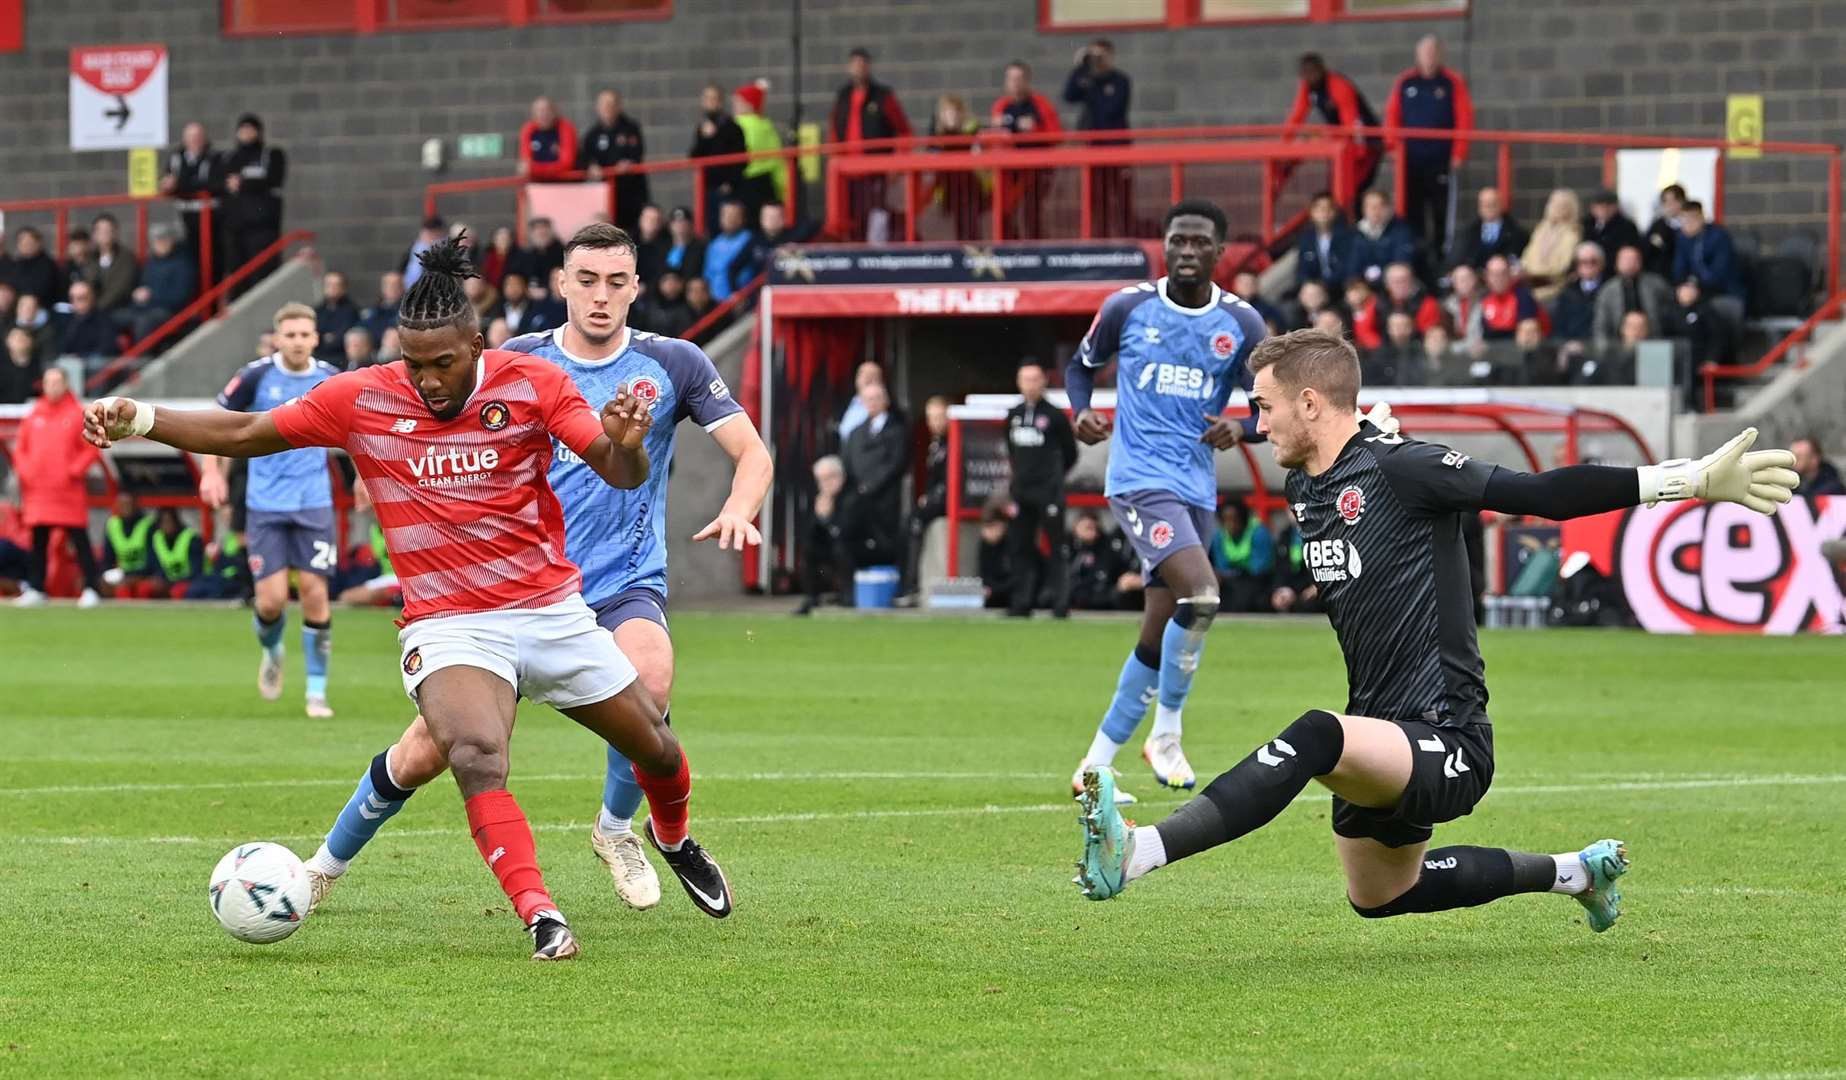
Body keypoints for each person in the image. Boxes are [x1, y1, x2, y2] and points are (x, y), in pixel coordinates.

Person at [86, 238, 734, 959]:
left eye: (443, 363)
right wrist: (139, 417)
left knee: (658, 747)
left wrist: (629, 444)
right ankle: (540, 915)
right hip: (451, 623)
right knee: (474, 753)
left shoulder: (531, 383)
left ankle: (669, 836)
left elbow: (617, 469)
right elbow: (244, 431)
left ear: (477, 344)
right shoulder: (362, 396)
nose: (426, 380)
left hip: (549, 609)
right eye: (414, 362)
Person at [1073, 327, 1801, 937]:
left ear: (1308, 401)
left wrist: (1686, 481)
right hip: (1384, 735)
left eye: (1264, 407)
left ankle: (1138, 852)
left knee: (1315, 735)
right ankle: (1579, 872)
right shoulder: (1307, 484)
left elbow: (1538, 495)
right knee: (1380, 897)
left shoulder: (1406, 467)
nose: (1257, 426)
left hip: (1447, 737)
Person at [305, 223, 770, 918]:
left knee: (653, 679)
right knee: (421, 755)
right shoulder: (513, 360)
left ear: (637, 287)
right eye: (586, 280)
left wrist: (739, 506)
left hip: (618, 580)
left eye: (617, 282)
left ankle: (622, 834)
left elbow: (751, 451)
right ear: (560, 284)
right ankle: (322, 867)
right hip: (501, 593)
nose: (601, 296)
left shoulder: (674, 362)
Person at [1063, 200, 1269, 804]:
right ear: (1164, 244)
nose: (1185, 251)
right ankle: (1168, 732)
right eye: (1176, 240)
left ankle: (1094, 765)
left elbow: (1270, 402)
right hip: (1138, 479)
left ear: (1219, 252)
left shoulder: (1244, 324)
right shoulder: (1128, 306)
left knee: (1159, 632)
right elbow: (1081, 368)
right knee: (1202, 596)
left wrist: (1244, 429)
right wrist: (1081, 412)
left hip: (1196, 487)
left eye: (1198, 243)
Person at [200, 303, 343, 718]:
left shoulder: (330, 378)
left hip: (313, 501)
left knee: (316, 595)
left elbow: (360, 428)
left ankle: (317, 692)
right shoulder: (256, 375)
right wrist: (213, 471)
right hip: (265, 503)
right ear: (278, 338)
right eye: (291, 335)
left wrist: (363, 477)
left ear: (315, 338)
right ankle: (273, 651)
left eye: (305, 335)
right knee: (270, 602)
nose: (298, 342)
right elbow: (218, 421)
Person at [11, 367, 105, 608]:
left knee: (79, 539)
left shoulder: (77, 414)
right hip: (39, 492)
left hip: (67, 491)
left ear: (65, 384)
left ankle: (91, 588)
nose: (52, 386)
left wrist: (73, 470)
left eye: (57, 381)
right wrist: (26, 472)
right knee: (39, 541)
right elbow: (20, 449)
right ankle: (36, 587)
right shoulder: (34, 416)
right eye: (48, 382)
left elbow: (91, 447)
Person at [1003, 360, 1078, 618]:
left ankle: (1060, 603)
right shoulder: (1013, 415)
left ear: (1044, 381)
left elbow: (1071, 452)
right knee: (1020, 547)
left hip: (1048, 492)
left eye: (1035, 379)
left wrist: (1052, 478)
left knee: (1057, 547)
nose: (1030, 385)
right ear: (1018, 382)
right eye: (1026, 379)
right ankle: (1021, 602)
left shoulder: (1055, 416)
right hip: (1021, 493)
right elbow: (1011, 450)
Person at [1384, 35, 1473, 251]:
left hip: (1441, 158)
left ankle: (1442, 255)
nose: (1429, 57)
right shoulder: (1405, 81)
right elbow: (1392, 115)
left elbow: (1465, 118)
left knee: (1441, 211)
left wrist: (1459, 153)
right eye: (1425, 52)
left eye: (1433, 52)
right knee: (1412, 209)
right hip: (1411, 159)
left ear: (1440, 55)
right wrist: (1392, 145)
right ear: (1417, 55)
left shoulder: (1452, 82)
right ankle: (1416, 254)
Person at [829, 47, 912, 240]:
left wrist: (897, 165)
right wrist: (835, 162)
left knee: (877, 217)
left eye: (862, 64)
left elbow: (903, 131)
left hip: (876, 170)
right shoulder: (842, 97)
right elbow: (834, 132)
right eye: (854, 64)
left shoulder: (883, 96)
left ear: (869, 67)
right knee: (852, 218)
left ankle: (875, 259)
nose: (858, 68)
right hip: (847, 173)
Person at [1284, 54, 1383, 201]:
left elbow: (1352, 124)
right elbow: (1297, 116)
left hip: (1366, 143)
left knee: (1354, 189)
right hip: (1341, 144)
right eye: (1306, 73)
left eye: (1313, 71)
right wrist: (1285, 143)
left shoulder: (1338, 85)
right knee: (1338, 189)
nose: (1310, 76)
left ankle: (1353, 219)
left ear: (1322, 69)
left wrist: (1358, 154)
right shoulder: (1307, 87)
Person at [1063, 39, 1132, 235]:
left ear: (1111, 57)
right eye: (1094, 56)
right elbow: (1068, 96)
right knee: (1095, 200)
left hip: (1117, 150)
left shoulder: (1120, 81)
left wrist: (1093, 82)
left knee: (1120, 199)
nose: (1097, 60)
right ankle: (1099, 238)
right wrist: (1078, 68)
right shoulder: (1086, 78)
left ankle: (1126, 237)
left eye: (1101, 56)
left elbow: (1110, 111)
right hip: (1092, 149)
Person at [841, 382, 909, 573]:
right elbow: (847, 462)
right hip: (859, 499)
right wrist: (860, 488)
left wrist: (872, 485)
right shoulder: (855, 433)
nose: (872, 403)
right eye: (868, 399)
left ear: (886, 401)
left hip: (886, 499)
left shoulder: (897, 430)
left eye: (876, 398)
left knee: (889, 542)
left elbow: (897, 463)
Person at [991, 61, 1063, 239]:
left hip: (1037, 170)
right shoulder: (1001, 106)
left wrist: (1035, 129)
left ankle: (1035, 253)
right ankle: (1011, 252)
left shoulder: (1040, 104)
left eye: (1019, 78)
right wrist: (998, 131)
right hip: (1010, 172)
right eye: (1011, 79)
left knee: (1031, 212)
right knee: (1005, 212)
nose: (1015, 83)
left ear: (1027, 81)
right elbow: (993, 140)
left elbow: (1057, 135)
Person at [219, 114, 287, 292]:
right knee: (237, 275)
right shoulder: (229, 157)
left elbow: (274, 179)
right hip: (236, 227)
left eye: (251, 129)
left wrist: (243, 184)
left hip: (262, 227)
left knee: (263, 274)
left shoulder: (271, 155)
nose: (246, 134)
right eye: (243, 130)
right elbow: (216, 182)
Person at [898, 395, 950, 603]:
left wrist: (932, 498)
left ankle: (911, 586)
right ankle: (907, 583)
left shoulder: (955, 442)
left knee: (914, 522)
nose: (935, 423)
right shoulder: (935, 444)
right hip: (934, 498)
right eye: (931, 418)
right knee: (906, 523)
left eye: (939, 417)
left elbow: (951, 479)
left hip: (947, 501)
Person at [580, 89, 649, 234]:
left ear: (619, 106)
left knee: (633, 233)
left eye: (611, 104)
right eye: (604, 104)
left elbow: (637, 153)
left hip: (631, 192)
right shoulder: (592, 134)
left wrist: (628, 163)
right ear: (597, 108)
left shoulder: (631, 128)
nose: (607, 108)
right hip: (606, 195)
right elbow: (583, 157)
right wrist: (591, 166)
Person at [160, 121, 221, 279]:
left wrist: (179, 185)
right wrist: (168, 184)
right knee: (186, 262)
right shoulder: (176, 158)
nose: (195, 140)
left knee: (210, 263)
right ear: (184, 139)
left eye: (198, 136)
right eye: (191, 137)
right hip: (182, 217)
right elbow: (166, 180)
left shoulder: (214, 158)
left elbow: (213, 184)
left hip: (208, 218)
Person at [1672, 201, 1745, 328]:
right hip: (1694, 289)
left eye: (1691, 219)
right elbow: (1679, 269)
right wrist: (1685, 286)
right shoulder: (1682, 239)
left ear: (1701, 218)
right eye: (1683, 220)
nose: (1687, 225)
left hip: (1722, 289)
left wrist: (1697, 288)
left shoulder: (1718, 237)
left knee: (1703, 311)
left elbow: (1720, 272)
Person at [796, 455, 852, 615]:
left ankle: (847, 596)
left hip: (857, 546)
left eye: (829, 478)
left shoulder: (852, 497)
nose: (825, 484)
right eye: (820, 480)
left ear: (840, 476)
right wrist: (820, 516)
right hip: (831, 547)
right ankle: (811, 597)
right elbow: (809, 533)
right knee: (809, 549)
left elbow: (846, 532)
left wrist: (828, 519)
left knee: (843, 550)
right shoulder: (820, 499)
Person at [926, 95, 987, 242]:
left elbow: (978, 154)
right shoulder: (937, 137)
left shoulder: (969, 134)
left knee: (970, 224)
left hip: (968, 186)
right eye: (948, 112)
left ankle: (973, 253)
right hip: (947, 187)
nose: (952, 115)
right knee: (952, 226)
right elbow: (931, 157)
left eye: (955, 111)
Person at [689, 84, 747, 231]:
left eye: (714, 98)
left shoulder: (732, 127)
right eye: (707, 98)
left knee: (729, 226)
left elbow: (741, 158)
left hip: (727, 189)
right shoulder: (702, 128)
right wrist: (705, 138)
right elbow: (694, 157)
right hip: (707, 188)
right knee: (709, 227)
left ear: (721, 101)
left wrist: (730, 183)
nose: (710, 102)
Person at [1594, 244, 1672, 345]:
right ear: (1617, 263)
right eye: (1625, 259)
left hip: (1653, 342)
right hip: (1619, 346)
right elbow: (1600, 325)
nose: (1630, 263)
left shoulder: (1657, 285)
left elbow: (1669, 315)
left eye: (1634, 259)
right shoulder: (1607, 291)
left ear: (1640, 261)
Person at [731, 81, 787, 218]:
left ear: (749, 105)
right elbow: (778, 162)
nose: (734, 106)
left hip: (746, 182)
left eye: (738, 102)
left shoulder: (738, 125)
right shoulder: (767, 126)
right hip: (767, 182)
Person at [1067, 511, 1141, 611]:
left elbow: (1108, 579)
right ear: (1075, 526)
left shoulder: (1106, 548)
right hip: (1075, 597)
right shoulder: (1068, 546)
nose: (1090, 532)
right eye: (1086, 527)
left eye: (1093, 528)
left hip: (1101, 597)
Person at [1209, 500, 1274, 613]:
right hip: (1229, 585)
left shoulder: (1258, 533)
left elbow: (1260, 569)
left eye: (1235, 519)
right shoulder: (1219, 537)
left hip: (1257, 583)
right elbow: (1221, 567)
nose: (1231, 525)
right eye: (1226, 520)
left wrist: (1236, 573)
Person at [1520, 188, 1582, 304]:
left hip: (1553, 288)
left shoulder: (1572, 233)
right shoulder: (1541, 229)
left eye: (1560, 205)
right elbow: (1527, 255)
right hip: (1530, 285)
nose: (1554, 208)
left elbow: (1562, 265)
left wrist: (1539, 273)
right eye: (1552, 203)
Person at [1350, 190, 1417, 287]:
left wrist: (1379, 274)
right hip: (1363, 286)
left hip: (1391, 286)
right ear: (1364, 209)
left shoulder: (1402, 231)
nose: (1375, 211)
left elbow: (1401, 261)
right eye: (1371, 207)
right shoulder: (1356, 233)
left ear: (1389, 208)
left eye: (1380, 206)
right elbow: (1352, 266)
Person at [1451, 186, 1527, 270]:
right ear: (1479, 207)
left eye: (1493, 204)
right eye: (1485, 205)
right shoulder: (1469, 232)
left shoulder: (1516, 233)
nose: (1489, 208)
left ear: (1500, 204)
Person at [1295, 192, 1356, 289]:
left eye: (1328, 209)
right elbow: (1302, 269)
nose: (1324, 213)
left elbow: (1346, 268)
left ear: (1335, 212)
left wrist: (1324, 284)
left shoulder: (1348, 237)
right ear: (1312, 213)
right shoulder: (1306, 238)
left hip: (1340, 288)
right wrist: (1307, 284)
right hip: (1315, 289)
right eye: (1319, 209)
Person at [702, 200, 754, 303]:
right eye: (726, 215)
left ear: (742, 218)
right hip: (717, 303)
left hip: (742, 301)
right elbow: (708, 276)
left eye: (735, 215)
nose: (730, 219)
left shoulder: (751, 240)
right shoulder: (714, 244)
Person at [86, 214, 139, 313]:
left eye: (108, 230)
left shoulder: (126, 257)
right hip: (91, 309)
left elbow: (119, 289)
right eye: (100, 231)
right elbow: (87, 283)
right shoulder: (90, 257)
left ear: (115, 233)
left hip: (118, 308)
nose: (104, 234)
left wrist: (96, 308)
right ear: (94, 235)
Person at [59, 281, 120, 366]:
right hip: (72, 368)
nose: (76, 302)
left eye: (81, 298)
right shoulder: (67, 321)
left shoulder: (104, 320)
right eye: (72, 298)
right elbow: (61, 349)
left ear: (91, 298)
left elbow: (106, 350)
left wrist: (81, 358)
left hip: (96, 369)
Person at [518, 96, 578, 182]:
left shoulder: (565, 128)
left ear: (554, 112)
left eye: (547, 110)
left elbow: (567, 164)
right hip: (537, 184)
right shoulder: (528, 130)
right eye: (539, 111)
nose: (544, 114)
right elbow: (525, 164)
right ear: (534, 114)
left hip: (563, 183)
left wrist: (534, 169)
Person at [1584, 189, 1642, 268]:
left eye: (1608, 205)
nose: (1604, 209)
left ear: (1616, 207)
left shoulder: (1626, 227)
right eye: (1600, 205)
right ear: (1592, 208)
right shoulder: (1585, 225)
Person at [313, 271, 360, 362]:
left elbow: (340, 338)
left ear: (344, 288)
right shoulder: (318, 310)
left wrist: (326, 338)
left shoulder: (351, 310)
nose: (332, 288)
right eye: (329, 284)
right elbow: (315, 335)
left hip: (341, 358)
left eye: (336, 285)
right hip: (318, 356)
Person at [7, 228, 60, 308]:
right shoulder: (16, 263)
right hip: (18, 309)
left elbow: (41, 289)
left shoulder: (47, 265)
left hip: (43, 309)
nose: (25, 245)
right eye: (21, 242)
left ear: (38, 243)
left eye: (29, 242)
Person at [635, 268, 695, 338]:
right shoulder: (648, 307)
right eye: (667, 281)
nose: (671, 285)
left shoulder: (689, 308)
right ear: (659, 283)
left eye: (675, 281)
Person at [1644, 183, 1686, 280]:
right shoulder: (1658, 225)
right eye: (1666, 202)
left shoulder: (1688, 224)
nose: (1670, 205)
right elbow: (1647, 248)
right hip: (1658, 275)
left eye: (1674, 201)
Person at [836, 359, 885, 442]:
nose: (867, 379)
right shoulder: (848, 401)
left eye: (872, 375)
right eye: (862, 374)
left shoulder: (886, 409)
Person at [663, 207, 706, 282]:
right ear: (670, 226)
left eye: (684, 223)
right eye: (676, 222)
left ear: (691, 225)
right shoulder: (663, 246)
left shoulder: (700, 248)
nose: (680, 226)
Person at [362, 271, 404, 343]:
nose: (392, 288)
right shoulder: (375, 309)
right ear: (382, 287)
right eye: (388, 284)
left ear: (402, 287)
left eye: (395, 285)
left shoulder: (407, 311)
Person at [1, 327, 39, 404]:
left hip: (31, 410)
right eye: (16, 338)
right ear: (7, 341)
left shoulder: (39, 366)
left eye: (23, 337)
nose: (20, 340)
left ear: (30, 341)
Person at [633, 205, 669, 285]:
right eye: (648, 218)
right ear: (640, 220)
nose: (652, 222)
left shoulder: (668, 245)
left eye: (656, 219)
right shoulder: (628, 242)